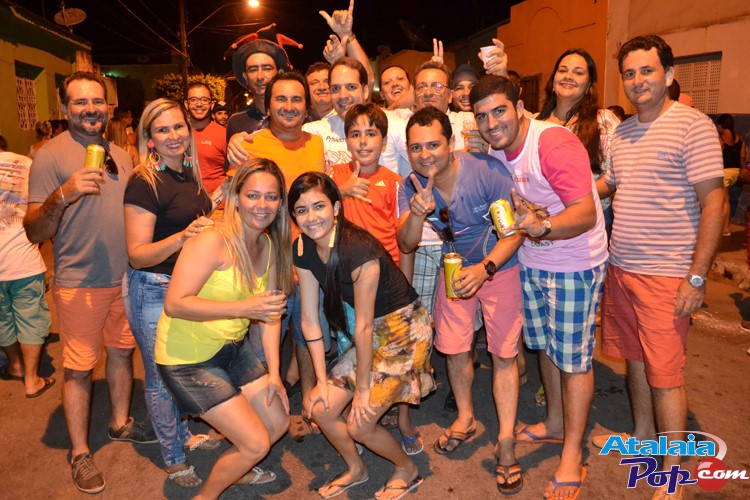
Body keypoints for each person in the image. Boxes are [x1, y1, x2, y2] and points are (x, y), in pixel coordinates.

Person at [595, 35, 725, 500]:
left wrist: (696, 276)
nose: (637, 81)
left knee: (666, 375)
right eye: (629, 73)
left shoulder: (693, 126)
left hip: (667, 274)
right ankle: (643, 437)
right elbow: (609, 184)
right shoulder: (623, 132)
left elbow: (715, 203)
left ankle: (672, 472)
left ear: (668, 74)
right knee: (633, 358)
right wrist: (561, 191)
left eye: (647, 70)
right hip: (621, 268)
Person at [471, 75, 608, 500]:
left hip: (574, 263)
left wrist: (542, 227)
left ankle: (572, 454)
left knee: (574, 361)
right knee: (546, 348)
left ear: (519, 107)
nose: (491, 123)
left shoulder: (552, 143)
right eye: (482, 116)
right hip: (532, 261)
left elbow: (585, 213)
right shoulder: (495, 150)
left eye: (499, 111)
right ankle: (554, 422)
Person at [24, 71, 155, 494]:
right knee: (79, 369)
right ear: (65, 109)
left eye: (97, 101)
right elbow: (33, 229)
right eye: (80, 102)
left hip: (125, 277)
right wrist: (63, 193)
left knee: (121, 354)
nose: (90, 109)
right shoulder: (50, 155)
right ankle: (80, 453)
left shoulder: (119, 153)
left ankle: (120, 423)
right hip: (80, 282)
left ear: (108, 108)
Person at [397, 107, 524, 494]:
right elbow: (406, 243)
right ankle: (465, 419)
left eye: (433, 144)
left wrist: (484, 269)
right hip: (454, 269)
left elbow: (512, 233)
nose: (425, 155)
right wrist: (417, 214)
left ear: (450, 142)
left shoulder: (486, 172)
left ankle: (506, 440)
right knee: (453, 348)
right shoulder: (411, 186)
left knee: (503, 354)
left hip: (498, 267)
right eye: (416, 147)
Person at [290, 171, 434, 500]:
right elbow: (309, 318)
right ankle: (356, 468)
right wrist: (321, 381)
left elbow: (365, 326)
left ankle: (407, 469)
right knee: (321, 407)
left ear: (336, 207)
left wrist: (363, 391)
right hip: (372, 333)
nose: (311, 217)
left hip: (404, 331)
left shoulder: (358, 250)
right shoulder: (302, 247)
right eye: (301, 210)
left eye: (319, 206)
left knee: (360, 423)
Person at [156, 158, 293, 500]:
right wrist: (243, 308)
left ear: (280, 203)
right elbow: (175, 303)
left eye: (271, 197)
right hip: (188, 359)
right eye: (253, 195)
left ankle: (237, 468)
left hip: (231, 349)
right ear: (236, 198)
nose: (262, 205)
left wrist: (275, 374)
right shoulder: (212, 240)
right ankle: (207, 496)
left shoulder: (269, 245)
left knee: (279, 422)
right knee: (256, 443)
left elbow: (270, 314)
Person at [123, 98, 229, 488]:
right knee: (160, 377)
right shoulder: (144, 181)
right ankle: (172, 457)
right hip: (152, 288)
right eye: (162, 129)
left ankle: (182, 434)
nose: (173, 135)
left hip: (184, 288)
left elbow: (192, 216)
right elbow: (137, 254)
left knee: (180, 367)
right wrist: (183, 236)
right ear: (149, 138)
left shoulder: (186, 173)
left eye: (178, 127)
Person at [330, 103, 423, 454]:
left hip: (387, 284)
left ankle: (404, 418)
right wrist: (340, 190)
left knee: (396, 356)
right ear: (346, 141)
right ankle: (358, 410)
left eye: (371, 134)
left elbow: (402, 238)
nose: (363, 141)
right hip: (347, 284)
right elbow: (314, 211)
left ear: (383, 142)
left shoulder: (394, 182)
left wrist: (406, 283)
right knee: (353, 348)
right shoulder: (335, 175)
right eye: (355, 134)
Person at [535, 49, 620, 237]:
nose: (568, 76)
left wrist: (573, 198)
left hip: (589, 222)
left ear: (589, 84)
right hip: (542, 220)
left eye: (578, 72)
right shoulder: (536, 123)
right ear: (553, 79)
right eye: (562, 70)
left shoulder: (604, 121)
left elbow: (613, 178)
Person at [0, 148, 54, 398]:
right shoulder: (26, 164)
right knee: (31, 318)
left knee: (3, 319)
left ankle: (15, 365)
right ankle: (32, 379)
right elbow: (43, 210)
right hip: (22, 259)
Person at [225, 24, 303, 140]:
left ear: (280, 73)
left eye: (267, 68)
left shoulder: (301, 117)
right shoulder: (236, 122)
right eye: (253, 69)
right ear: (245, 77)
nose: (260, 76)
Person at [185, 82, 228, 194]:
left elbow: (236, 174)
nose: (199, 104)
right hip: (185, 200)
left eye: (204, 100)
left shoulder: (224, 135)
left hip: (217, 202)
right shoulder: (177, 134)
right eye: (193, 100)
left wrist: (215, 200)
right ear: (186, 104)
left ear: (212, 105)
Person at [715, 113, 746, 235]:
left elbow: (716, 157)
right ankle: (726, 225)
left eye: (718, 125)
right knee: (730, 200)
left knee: (724, 201)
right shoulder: (740, 139)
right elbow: (742, 157)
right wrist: (741, 171)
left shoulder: (721, 139)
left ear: (722, 125)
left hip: (725, 172)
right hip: (736, 171)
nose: (717, 127)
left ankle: (725, 228)